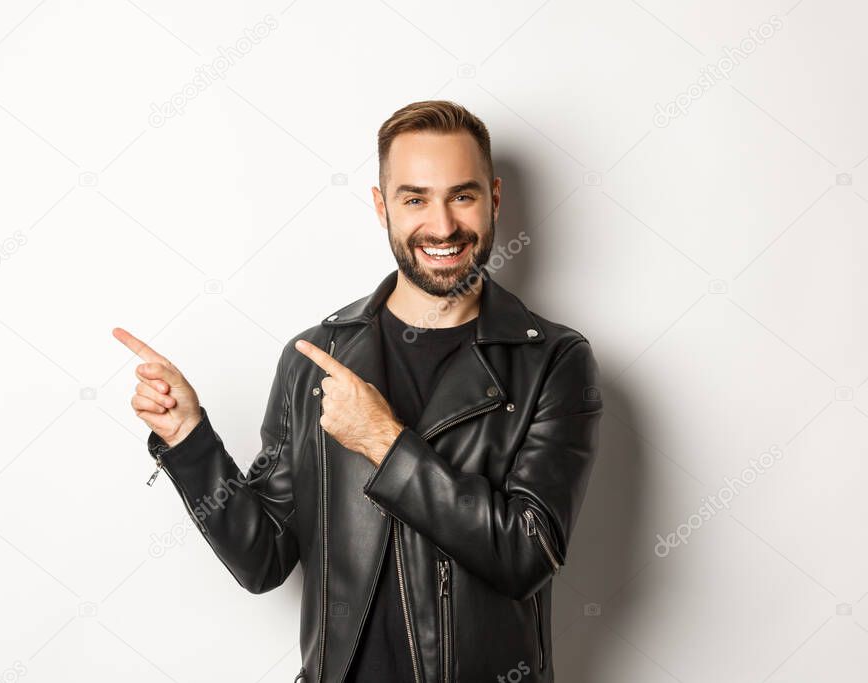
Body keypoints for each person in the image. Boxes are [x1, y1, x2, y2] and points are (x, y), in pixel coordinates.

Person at [114, 99, 603, 682]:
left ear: (495, 198)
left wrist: (384, 442)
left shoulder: (553, 360)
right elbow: (263, 560)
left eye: (462, 196)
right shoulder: (315, 360)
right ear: (382, 207)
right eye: (415, 198)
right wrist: (189, 440)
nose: (443, 226)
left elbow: (528, 555)